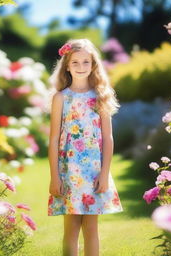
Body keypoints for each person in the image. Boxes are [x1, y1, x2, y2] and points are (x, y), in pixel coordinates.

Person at [48, 38, 123, 256]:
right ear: (67, 66)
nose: (81, 67)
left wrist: (105, 173)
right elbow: (53, 139)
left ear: (93, 65)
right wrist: (55, 177)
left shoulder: (100, 97)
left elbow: (108, 138)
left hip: (94, 173)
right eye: (75, 63)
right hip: (68, 172)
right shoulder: (61, 98)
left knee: (91, 229)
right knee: (70, 229)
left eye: (85, 62)